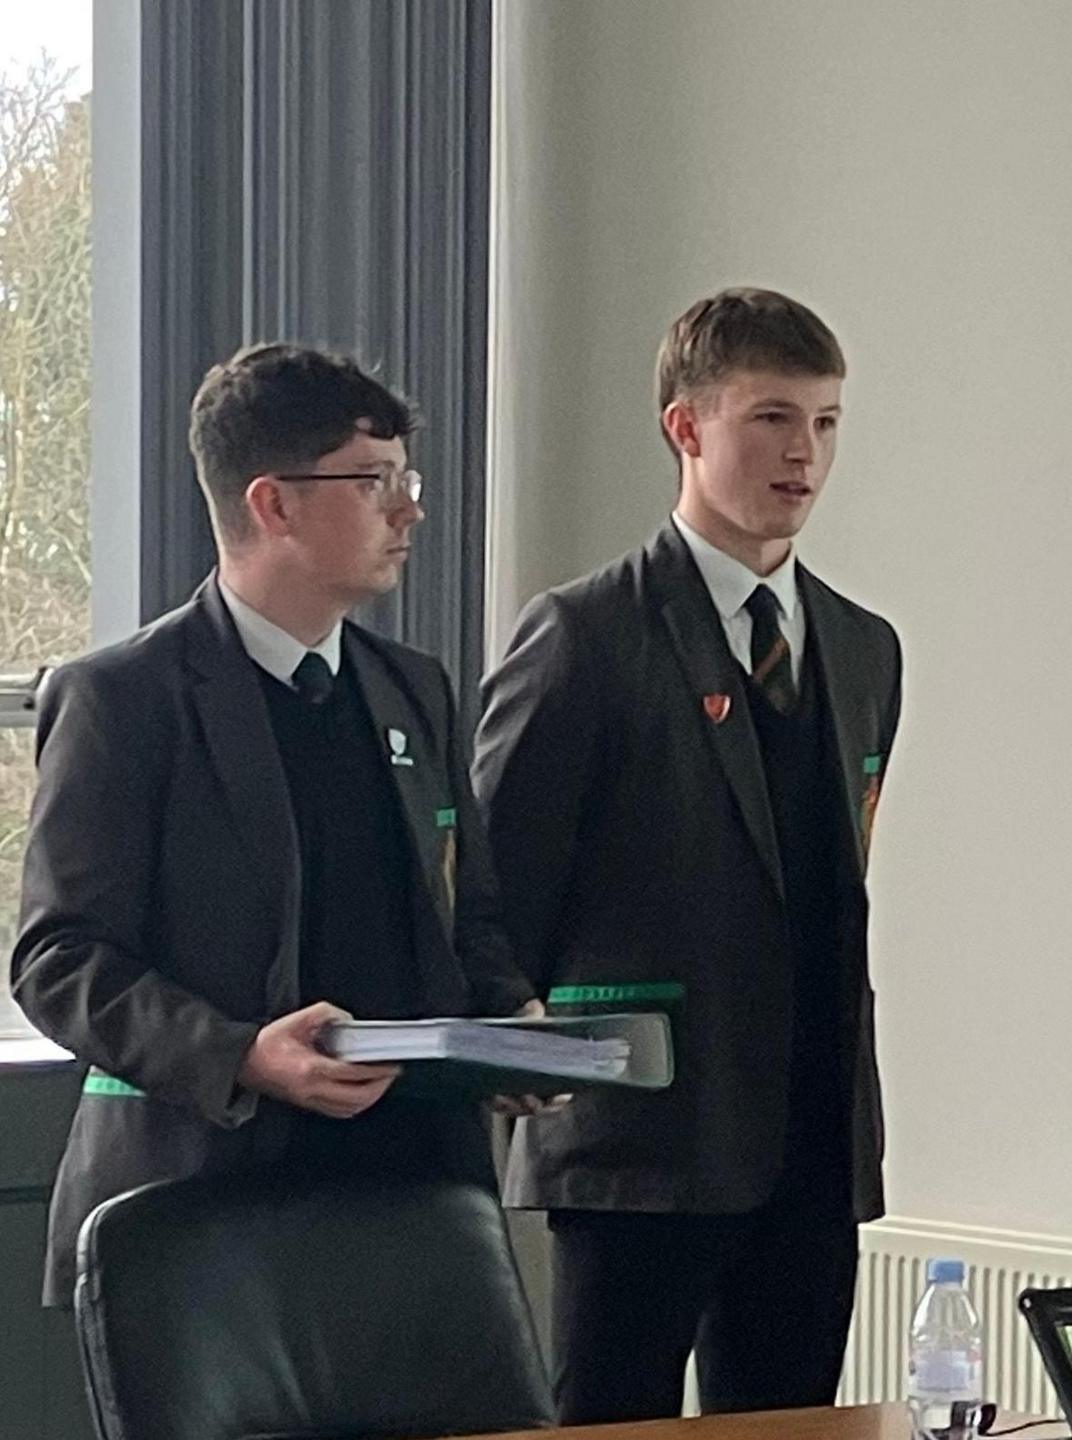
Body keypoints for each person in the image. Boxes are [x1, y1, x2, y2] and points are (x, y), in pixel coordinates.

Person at [11, 343, 539, 1308]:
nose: (409, 509)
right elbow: (58, 957)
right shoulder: (123, 699)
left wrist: (514, 1026)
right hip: (201, 1206)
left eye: (405, 478)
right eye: (375, 481)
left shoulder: (413, 688)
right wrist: (242, 1053)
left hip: (413, 1200)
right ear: (274, 504)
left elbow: (467, 917)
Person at [475, 286, 901, 1421]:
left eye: (825, 422)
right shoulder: (585, 635)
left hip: (814, 1143)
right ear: (687, 427)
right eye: (770, 418)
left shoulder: (863, 649)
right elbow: (491, 896)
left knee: (792, 1423)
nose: (802, 453)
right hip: (642, 1149)